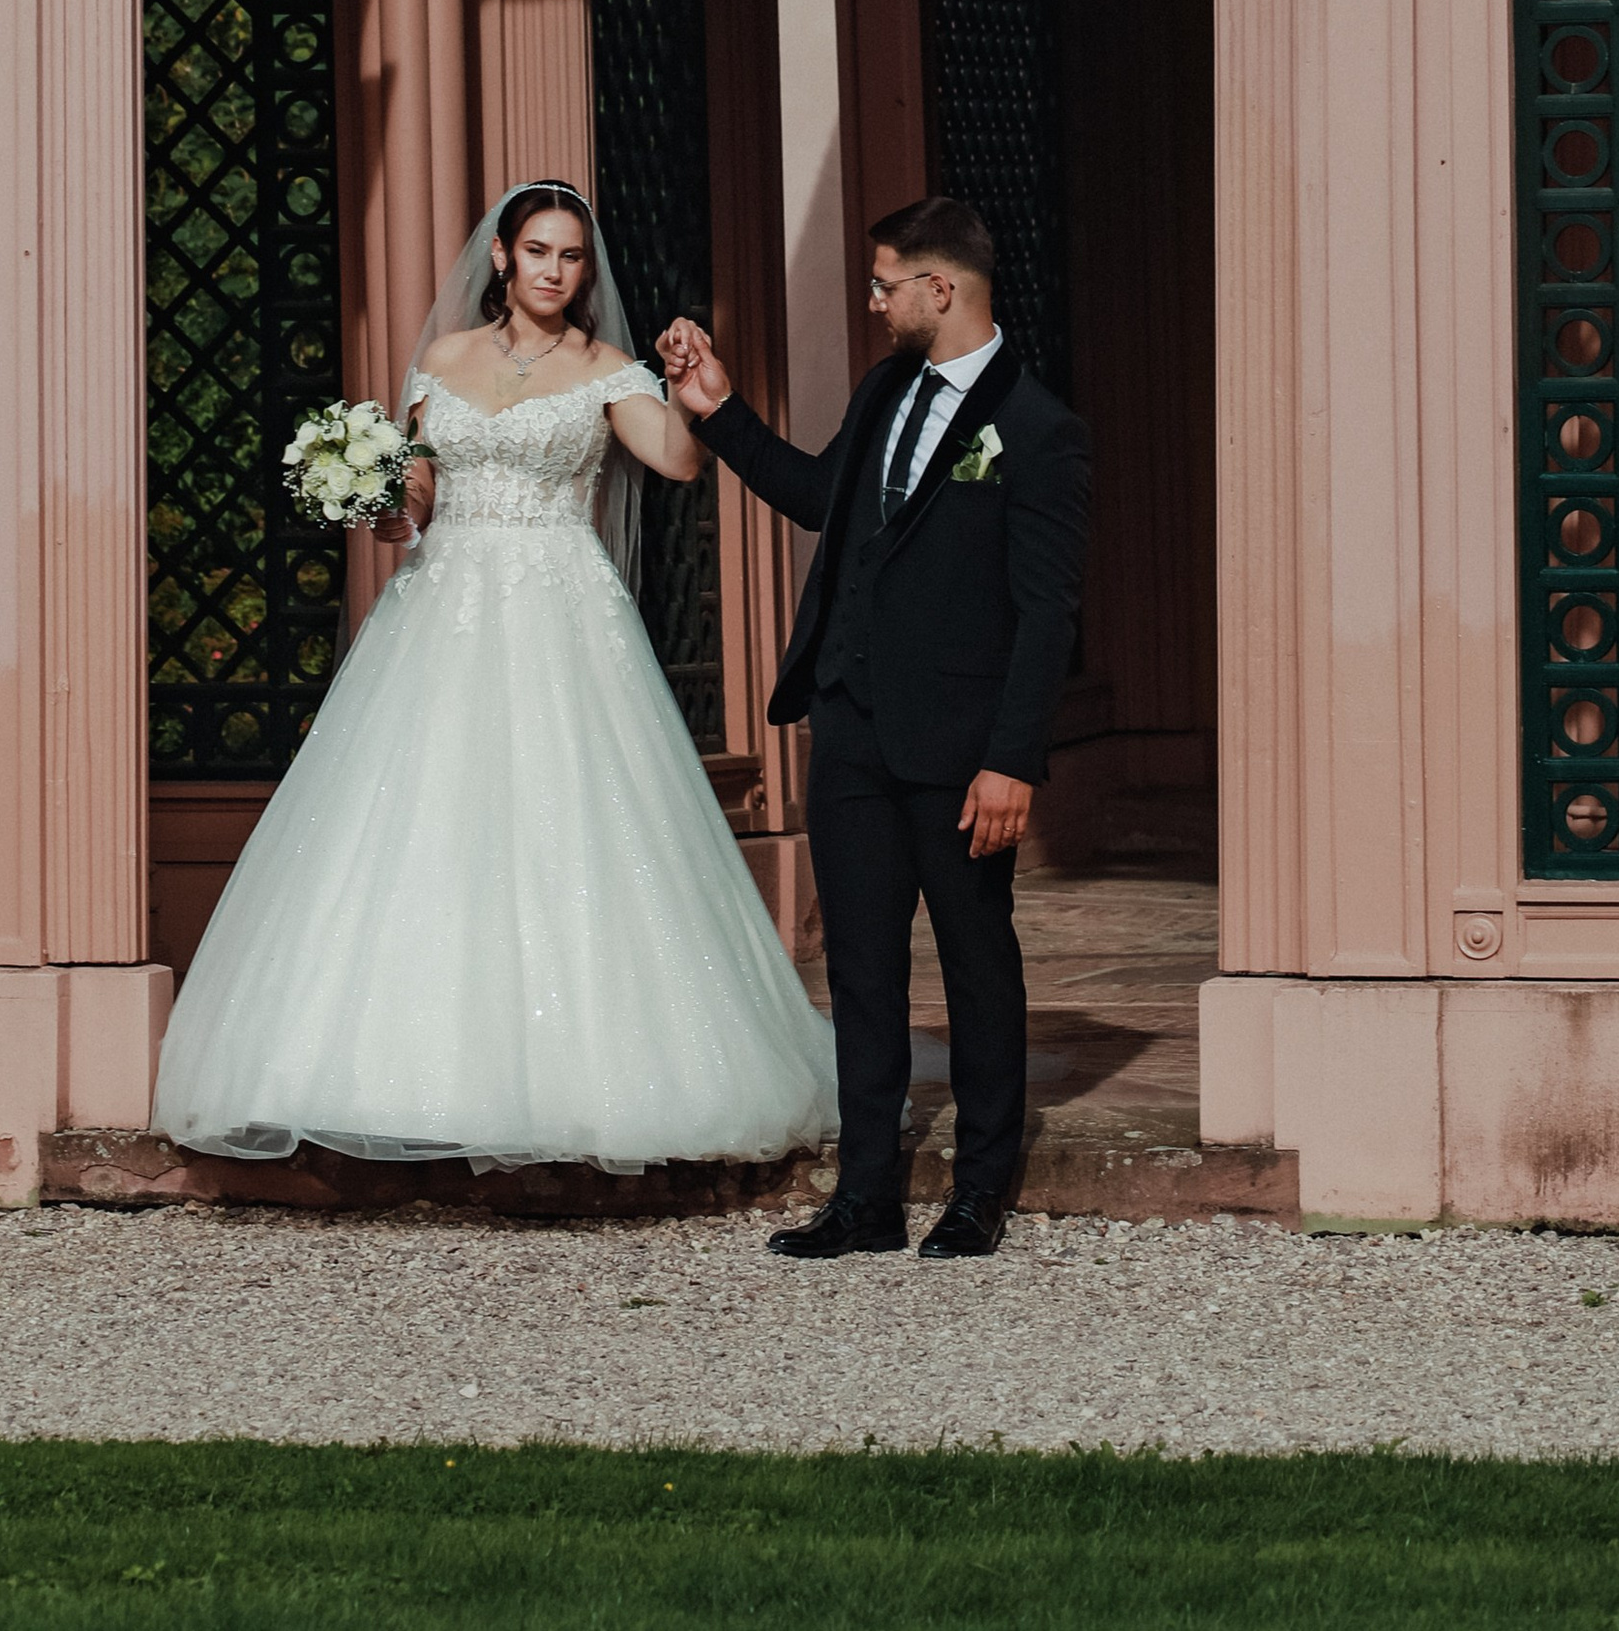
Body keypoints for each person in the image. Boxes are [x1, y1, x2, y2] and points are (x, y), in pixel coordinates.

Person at [149, 181, 839, 1173]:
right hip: (441, 610)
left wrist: (696, 394)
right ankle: (392, 1074)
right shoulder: (443, 359)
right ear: (504, 258)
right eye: (539, 251)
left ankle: (579, 1078)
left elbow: (675, 463)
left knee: (566, 823)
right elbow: (422, 484)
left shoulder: (606, 369)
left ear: (584, 272)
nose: (554, 270)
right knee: (421, 819)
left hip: (561, 613)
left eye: (572, 256)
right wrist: (386, 503)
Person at [661, 196, 1090, 1259]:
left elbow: (1047, 614)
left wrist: (1010, 760)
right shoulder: (884, 389)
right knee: (860, 967)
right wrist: (719, 413)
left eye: (884, 284)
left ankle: (978, 1191)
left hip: (961, 749)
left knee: (976, 964)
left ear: (941, 289)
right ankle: (864, 1199)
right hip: (850, 728)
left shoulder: (1037, 428)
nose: (872, 301)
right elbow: (822, 497)